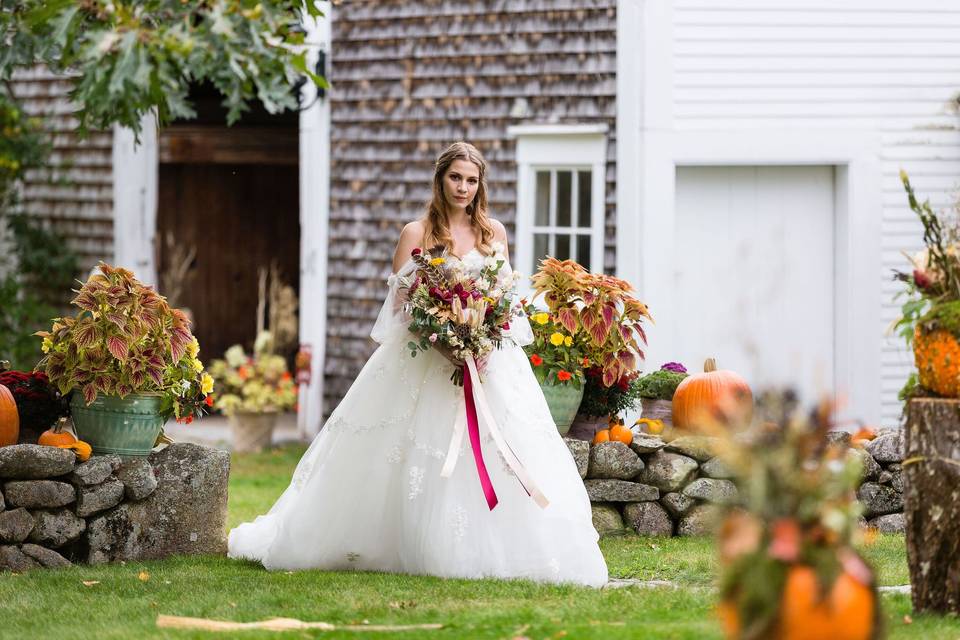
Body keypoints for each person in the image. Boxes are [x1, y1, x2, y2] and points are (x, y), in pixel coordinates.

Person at [228, 142, 608, 587]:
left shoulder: (494, 235)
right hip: (427, 359)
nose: (463, 187)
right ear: (440, 178)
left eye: (472, 180)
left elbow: (506, 300)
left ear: (480, 184)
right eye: (456, 178)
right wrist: (443, 339)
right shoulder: (416, 233)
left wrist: (484, 341)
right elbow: (401, 308)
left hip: (489, 361)